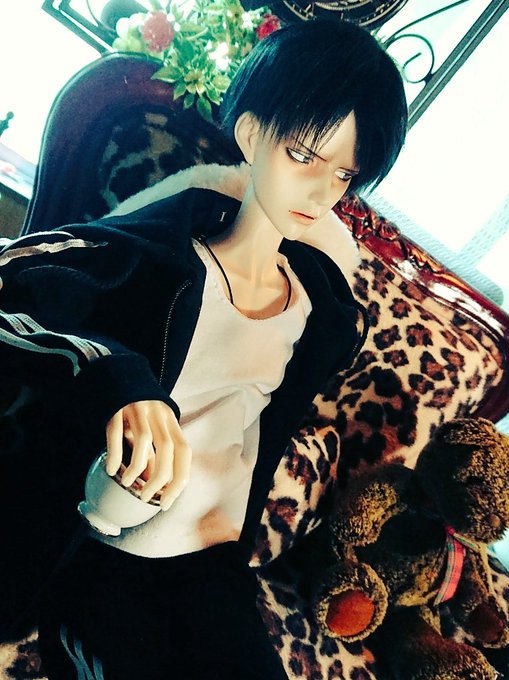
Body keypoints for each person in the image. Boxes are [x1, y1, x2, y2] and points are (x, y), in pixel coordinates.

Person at [0, 18, 407, 680]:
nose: (320, 192)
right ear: (250, 134)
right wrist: (117, 375)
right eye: (302, 156)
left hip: (213, 564)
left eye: (343, 175)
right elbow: (15, 287)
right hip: (103, 547)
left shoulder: (321, 314)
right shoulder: (155, 260)